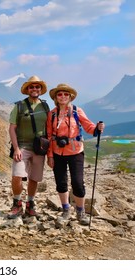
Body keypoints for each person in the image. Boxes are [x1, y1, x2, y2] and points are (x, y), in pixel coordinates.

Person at [46, 83, 104, 225]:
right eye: (60, 94)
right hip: (57, 152)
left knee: (78, 183)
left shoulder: (77, 111)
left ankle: (80, 211)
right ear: (56, 97)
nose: (63, 96)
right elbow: (48, 135)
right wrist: (50, 155)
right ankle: (66, 210)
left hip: (76, 151)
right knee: (61, 183)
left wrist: (97, 128)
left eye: (66, 94)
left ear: (70, 97)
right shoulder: (52, 114)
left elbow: (88, 126)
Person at [8, 75, 50, 219]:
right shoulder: (19, 106)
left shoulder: (45, 106)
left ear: (40, 89)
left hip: (40, 147)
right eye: (32, 87)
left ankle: (30, 204)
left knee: (34, 177)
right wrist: (16, 148)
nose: (34, 89)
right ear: (27, 89)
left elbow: (49, 127)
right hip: (23, 146)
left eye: (37, 86)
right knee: (17, 175)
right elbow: (12, 128)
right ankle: (17, 203)